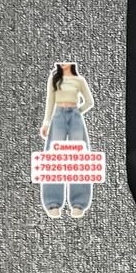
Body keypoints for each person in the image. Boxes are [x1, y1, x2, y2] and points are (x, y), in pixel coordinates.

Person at [39, 61, 95, 218]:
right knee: (54, 158)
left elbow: (89, 102)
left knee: (79, 157)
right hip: (58, 116)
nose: (63, 62)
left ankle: (79, 203)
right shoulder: (54, 79)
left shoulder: (79, 80)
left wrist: (77, 111)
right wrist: (46, 122)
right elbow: (50, 101)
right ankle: (52, 202)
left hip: (75, 116)